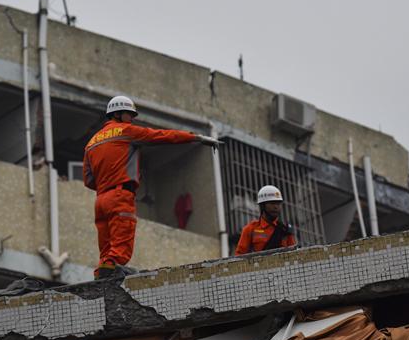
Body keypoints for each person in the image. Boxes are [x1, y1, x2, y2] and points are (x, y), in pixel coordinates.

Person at [83, 95, 220, 279]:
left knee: (106, 245)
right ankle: (113, 265)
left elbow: (88, 180)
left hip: (100, 200)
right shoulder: (126, 131)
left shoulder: (91, 143)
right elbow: (162, 136)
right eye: (129, 115)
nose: (131, 119)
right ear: (118, 114)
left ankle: (104, 272)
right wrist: (195, 137)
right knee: (121, 242)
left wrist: (106, 183)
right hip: (120, 194)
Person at [234, 185, 296, 255]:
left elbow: (293, 254)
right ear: (262, 206)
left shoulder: (285, 229)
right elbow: (239, 256)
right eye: (272, 203)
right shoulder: (250, 229)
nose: (276, 207)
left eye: (278, 204)